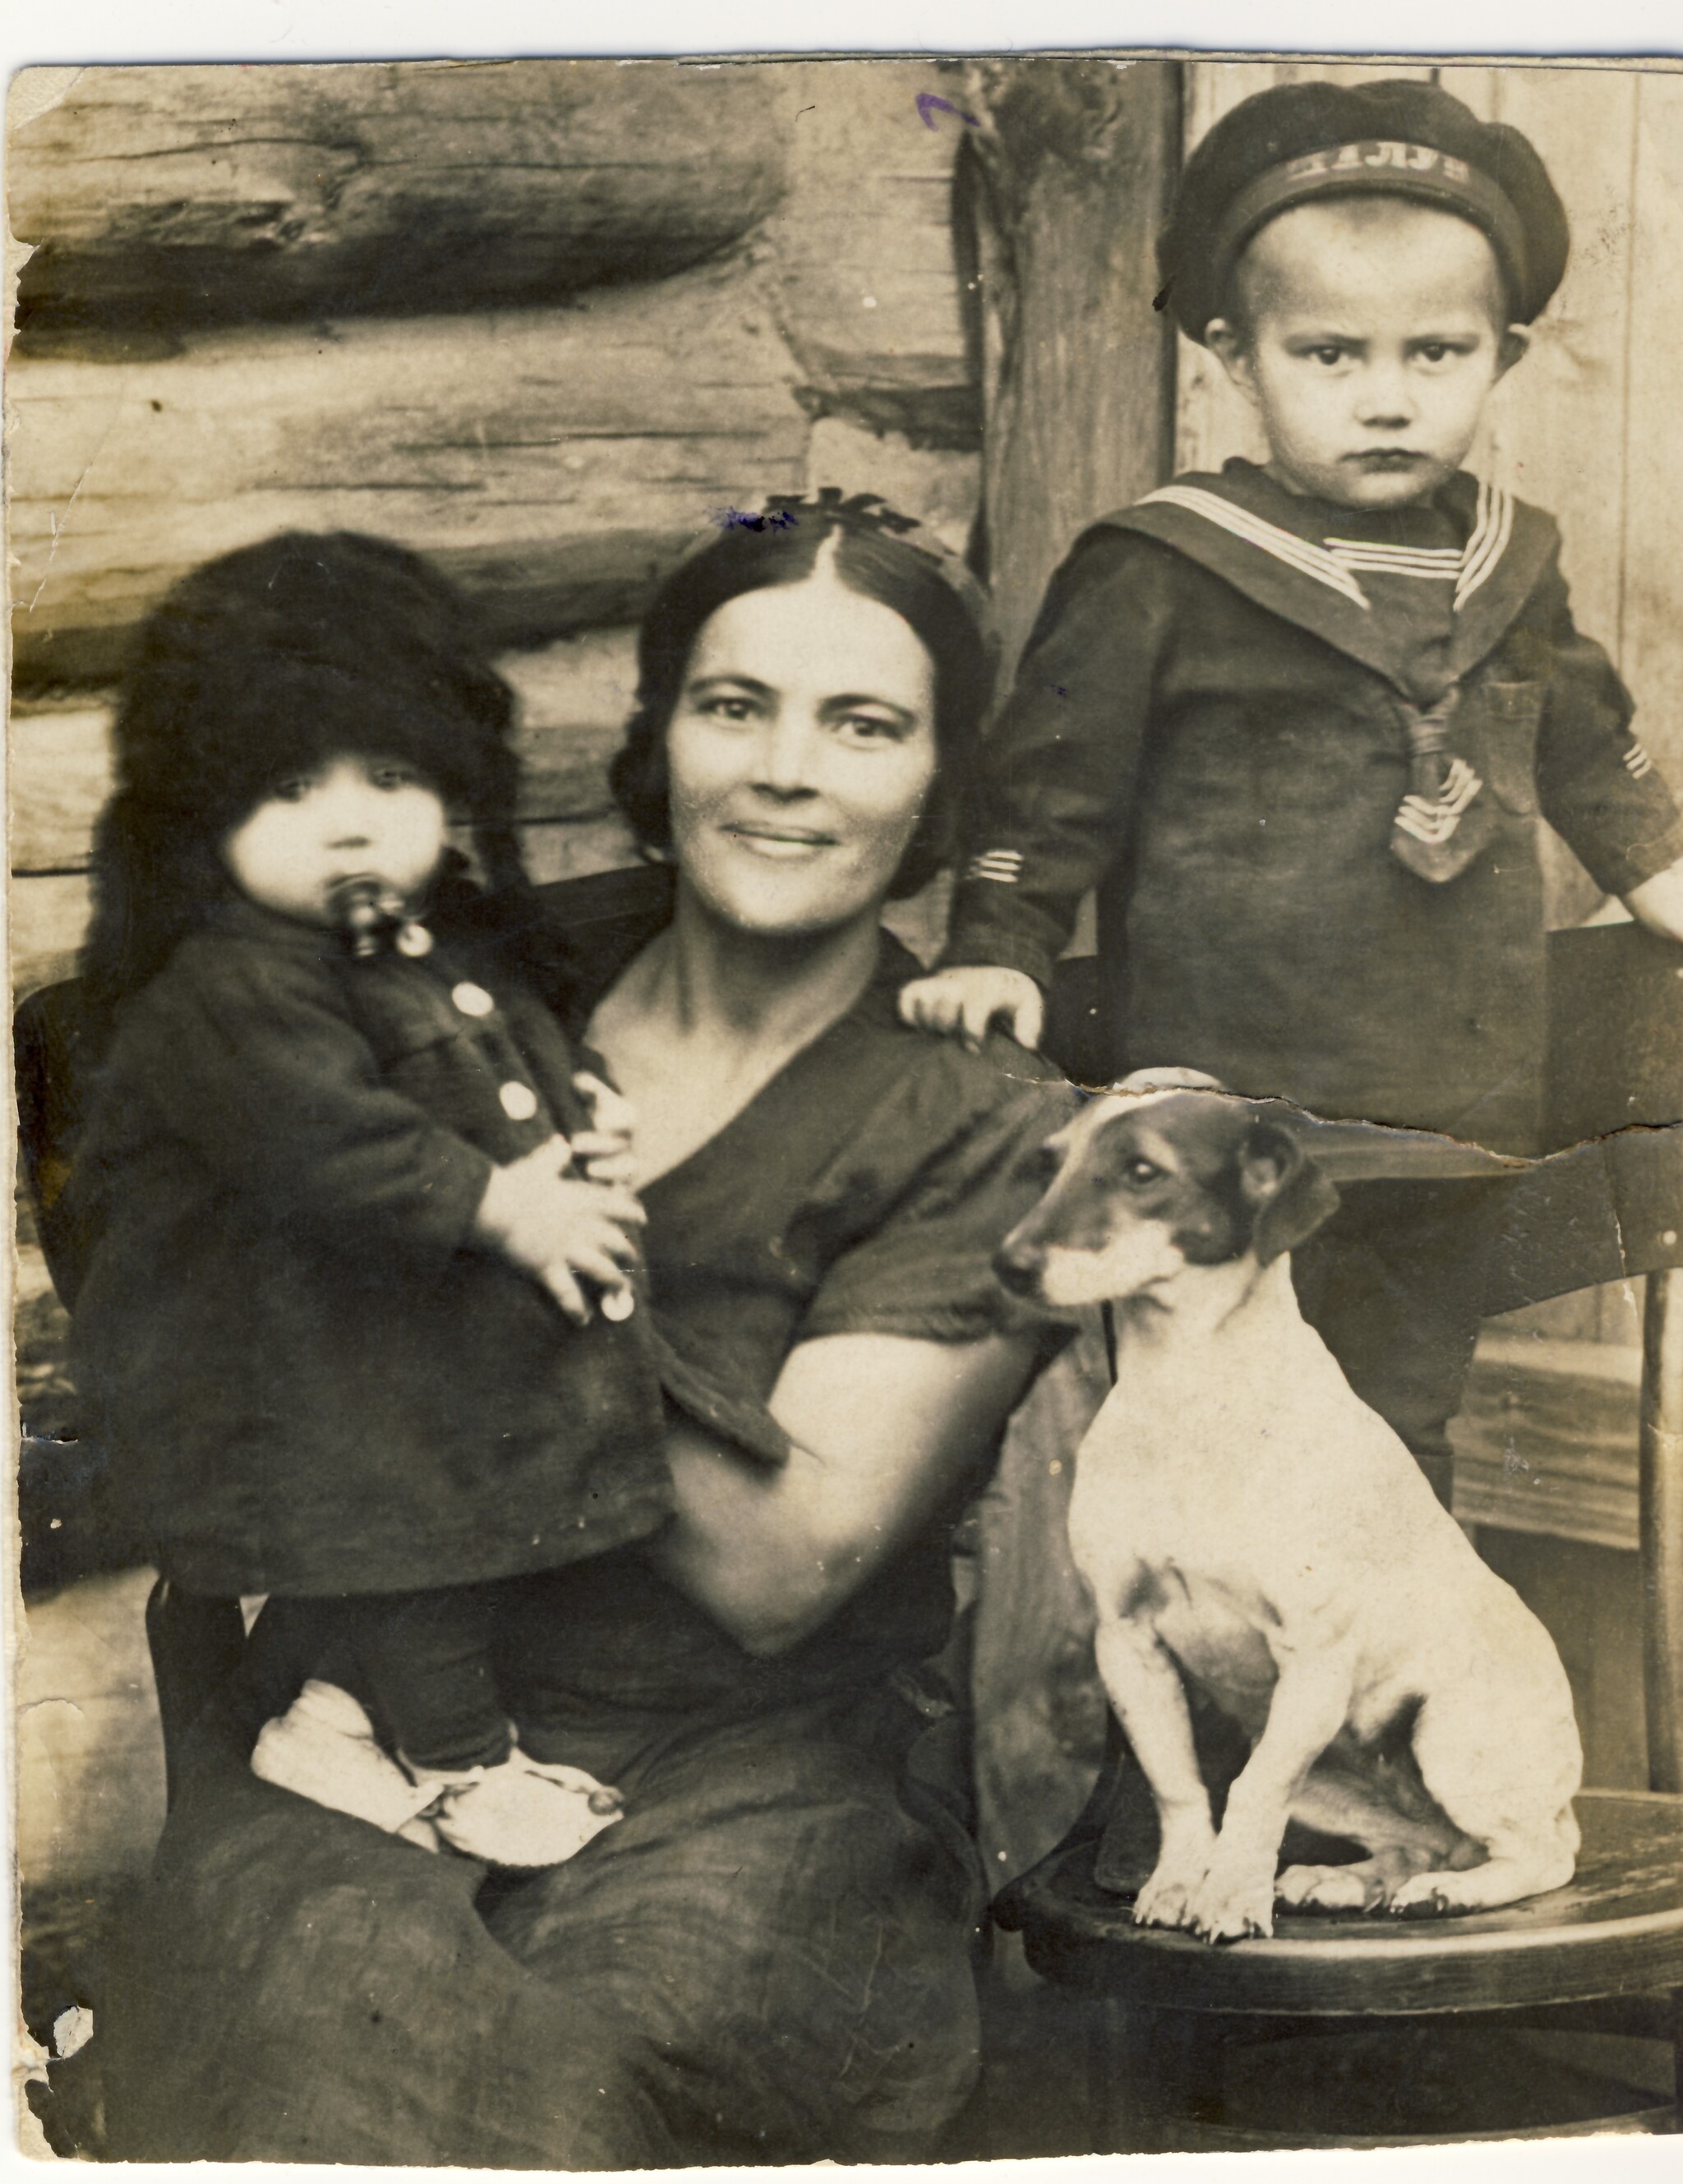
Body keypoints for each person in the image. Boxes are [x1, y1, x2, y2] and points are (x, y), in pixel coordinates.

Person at [97, 495, 1073, 2168]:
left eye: (861, 725)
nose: (786, 770)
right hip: (360, 1734)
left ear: (933, 786)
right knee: (327, 2024)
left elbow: (785, 1559)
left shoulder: (981, 1122)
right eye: (732, 705)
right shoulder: (490, 983)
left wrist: (477, 1244)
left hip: (749, 1782)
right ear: (656, 739)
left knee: (605, 2060)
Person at [903, 79, 1683, 1502]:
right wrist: (999, 948)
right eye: (1329, 354)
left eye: (1435, 353)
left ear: (1502, 356)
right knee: (1210, 1421)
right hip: (1227, 1119)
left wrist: (1656, 873)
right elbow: (1048, 783)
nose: (1386, 397)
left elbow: (1587, 739)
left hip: (1453, 1106)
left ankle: (1379, 1706)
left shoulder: (1512, 563)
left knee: (1398, 1421)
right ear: (1228, 357)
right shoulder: (1165, 566)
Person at [66, 532, 675, 1868]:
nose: (352, 820)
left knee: (468, 1496)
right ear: (205, 810)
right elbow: (328, 1140)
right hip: (274, 1360)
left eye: (391, 777)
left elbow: (510, 1039)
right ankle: (463, 1763)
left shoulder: (423, 937)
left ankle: (334, 1723)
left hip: (374, 1329)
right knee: (418, 1525)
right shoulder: (230, 987)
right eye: (293, 786)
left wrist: (587, 1113)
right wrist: (510, 1211)